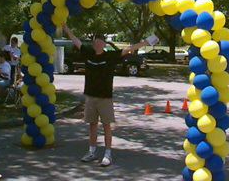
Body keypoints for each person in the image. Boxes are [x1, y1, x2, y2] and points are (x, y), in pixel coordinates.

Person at [62, 23, 158, 167]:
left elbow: (130, 49)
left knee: (106, 126)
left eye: (100, 42)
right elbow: (76, 41)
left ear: (104, 44)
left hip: (105, 98)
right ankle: (92, 151)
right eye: (95, 42)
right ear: (94, 43)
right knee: (92, 125)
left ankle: (108, 154)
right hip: (90, 96)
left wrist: (146, 41)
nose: (98, 44)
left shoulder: (111, 56)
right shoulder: (88, 53)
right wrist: (66, 29)